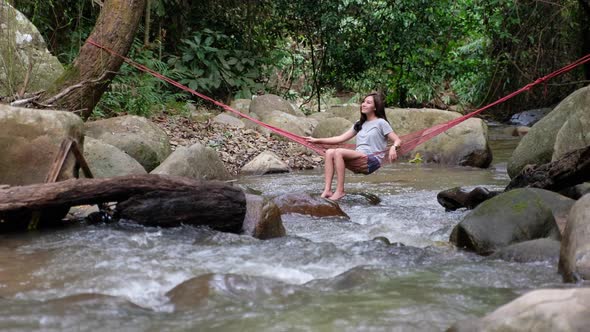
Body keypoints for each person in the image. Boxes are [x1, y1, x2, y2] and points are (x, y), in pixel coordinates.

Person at [306, 92, 402, 200]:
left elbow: (397, 140)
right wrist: (317, 140)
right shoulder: (359, 123)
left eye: (368, 102)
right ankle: (327, 190)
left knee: (338, 152)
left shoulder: (381, 123)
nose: (363, 104)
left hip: (371, 160)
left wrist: (394, 147)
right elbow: (340, 138)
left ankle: (340, 191)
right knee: (329, 152)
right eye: (363, 102)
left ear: (375, 107)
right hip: (359, 156)